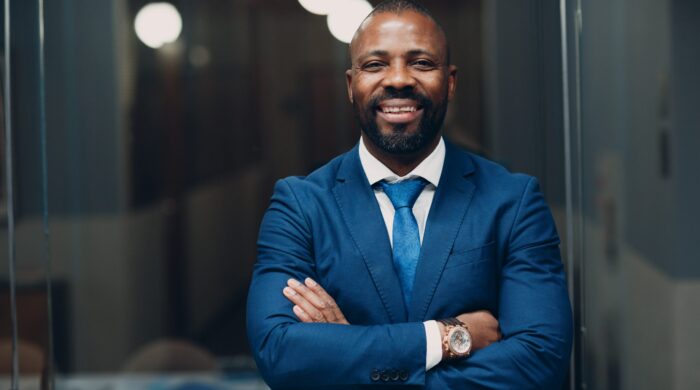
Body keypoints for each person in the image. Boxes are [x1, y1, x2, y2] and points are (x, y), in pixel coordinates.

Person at [246, 1, 572, 388]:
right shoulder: (300, 206)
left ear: (450, 82)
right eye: (375, 65)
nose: (398, 79)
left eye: (421, 63)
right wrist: (446, 336)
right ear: (351, 86)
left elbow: (540, 359)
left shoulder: (513, 201)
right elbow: (280, 352)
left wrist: (347, 360)